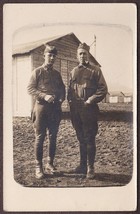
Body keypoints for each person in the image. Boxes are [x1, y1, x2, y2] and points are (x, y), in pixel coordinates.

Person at [68, 43, 107, 179]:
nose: (82, 56)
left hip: (89, 109)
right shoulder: (73, 71)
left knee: (89, 138)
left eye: (84, 53)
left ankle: (90, 167)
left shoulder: (96, 70)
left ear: (88, 55)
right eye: (80, 53)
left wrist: (91, 100)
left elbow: (103, 89)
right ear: (77, 55)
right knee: (80, 138)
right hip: (76, 111)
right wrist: (71, 104)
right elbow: (70, 90)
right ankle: (82, 165)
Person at [27, 45, 65, 179]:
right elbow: (30, 89)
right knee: (40, 137)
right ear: (44, 56)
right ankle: (38, 166)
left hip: (55, 110)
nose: (52, 58)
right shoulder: (37, 72)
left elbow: (62, 90)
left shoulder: (57, 74)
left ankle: (50, 163)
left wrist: (60, 100)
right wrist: (44, 96)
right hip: (41, 108)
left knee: (53, 136)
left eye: (54, 56)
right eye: (50, 55)